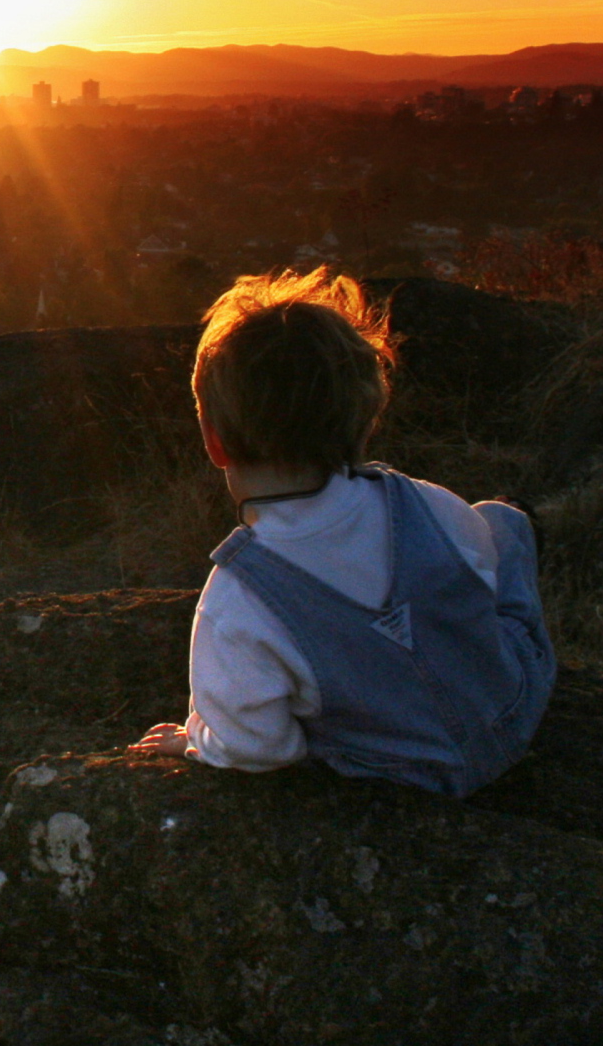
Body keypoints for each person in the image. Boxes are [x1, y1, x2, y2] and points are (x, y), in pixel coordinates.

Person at [129, 268, 554, 798]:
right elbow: (479, 588)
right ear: (364, 419)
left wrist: (197, 740)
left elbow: (258, 748)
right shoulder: (425, 502)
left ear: (215, 443)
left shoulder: (237, 601)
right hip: (515, 713)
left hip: (398, 775)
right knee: (499, 522)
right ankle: (517, 516)